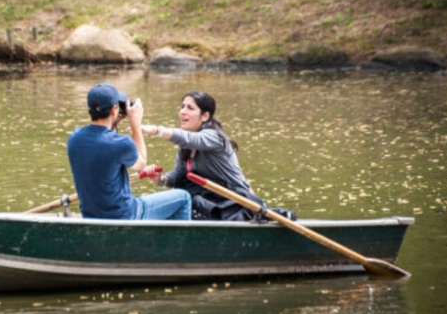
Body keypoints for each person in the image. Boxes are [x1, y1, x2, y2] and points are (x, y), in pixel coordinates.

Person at [140, 91, 295, 221]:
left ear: (205, 116)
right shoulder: (185, 148)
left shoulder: (214, 138)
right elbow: (178, 176)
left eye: (190, 108)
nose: (182, 111)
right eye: (182, 107)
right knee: (184, 196)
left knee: (191, 199)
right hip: (207, 201)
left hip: (233, 202)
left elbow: (190, 138)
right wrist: (161, 179)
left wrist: (155, 130)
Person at [67, 83, 192, 220]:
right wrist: (135, 124)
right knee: (183, 197)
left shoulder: (75, 138)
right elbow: (140, 163)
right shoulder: (120, 143)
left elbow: (103, 142)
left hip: (90, 215)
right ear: (114, 109)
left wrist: (114, 120)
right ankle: (180, 241)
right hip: (125, 215)